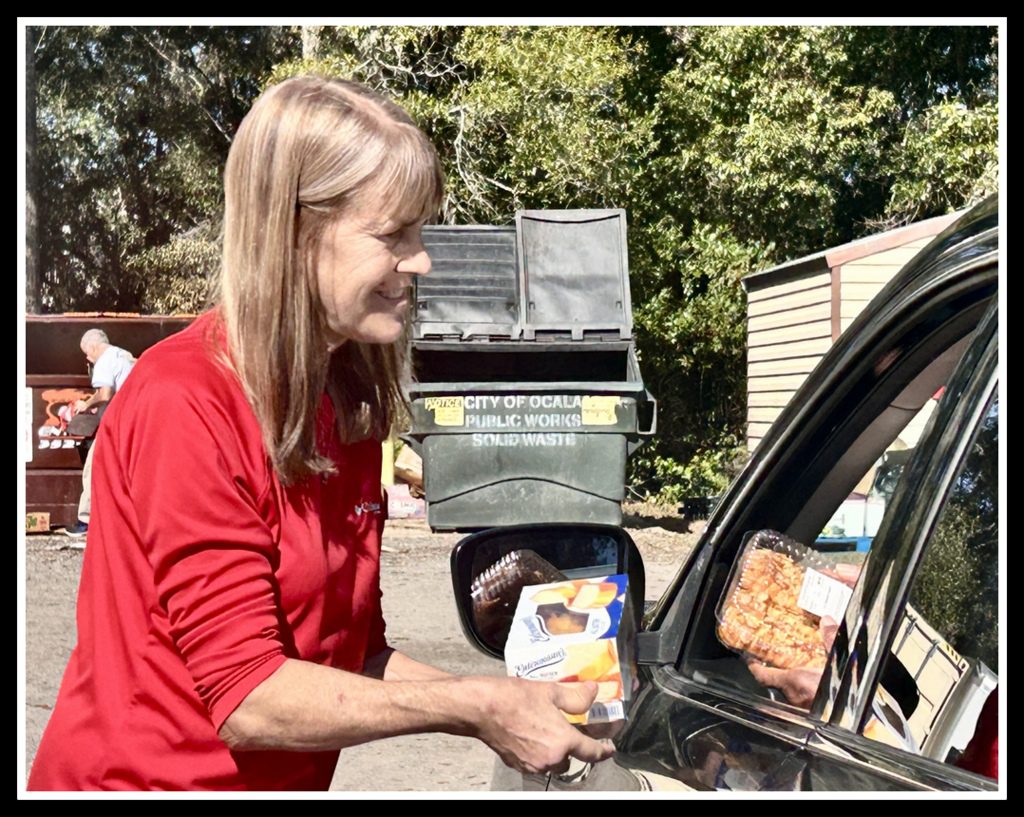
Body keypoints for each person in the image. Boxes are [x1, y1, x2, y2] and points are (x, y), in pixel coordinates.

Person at [28, 76, 613, 791]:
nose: (421, 259)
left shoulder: (343, 399)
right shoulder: (185, 399)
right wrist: (476, 704)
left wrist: (519, 701)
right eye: (393, 233)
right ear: (297, 232)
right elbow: (248, 696)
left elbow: (354, 656)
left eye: (420, 230)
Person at [62, 329, 136, 538]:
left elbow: (105, 393)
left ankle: (85, 520)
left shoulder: (103, 359)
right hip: (134, 422)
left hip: (117, 425)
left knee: (93, 467)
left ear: (93, 346)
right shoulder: (124, 355)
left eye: (87, 353)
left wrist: (86, 404)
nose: (88, 358)